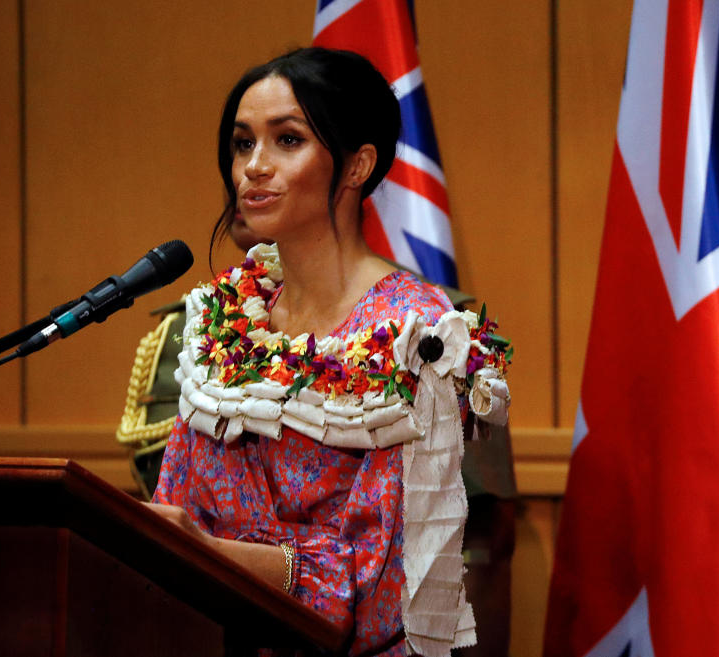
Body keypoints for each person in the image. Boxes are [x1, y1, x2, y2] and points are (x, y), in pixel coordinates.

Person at [145, 48, 511, 657]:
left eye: (286, 140)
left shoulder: (419, 336)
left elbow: (373, 587)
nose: (253, 168)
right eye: (242, 144)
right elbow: (169, 521)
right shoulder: (219, 319)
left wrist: (207, 551)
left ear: (356, 165)